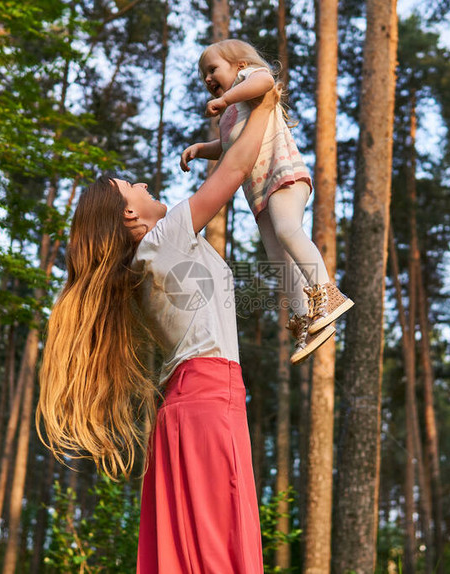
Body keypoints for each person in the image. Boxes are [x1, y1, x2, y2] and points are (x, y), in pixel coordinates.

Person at [37, 88, 283, 573]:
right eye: (132, 186)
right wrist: (268, 103)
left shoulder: (148, 264)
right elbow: (233, 173)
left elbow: (232, 161)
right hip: (209, 400)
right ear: (131, 216)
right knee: (220, 550)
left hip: (185, 410)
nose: (143, 184)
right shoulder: (164, 238)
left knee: (194, 553)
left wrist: (228, 131)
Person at [180, 38, 353, 364]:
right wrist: (201, 149)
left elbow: (266, 80)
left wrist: (228, 97)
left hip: (283, 175)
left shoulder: (250, 80)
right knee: (279, 261)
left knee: (289, 230)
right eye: (203, 74)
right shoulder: (230, 115)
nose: (207, 79)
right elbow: (226, 147)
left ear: (239, 65)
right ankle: (310, 320)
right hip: (260, 197)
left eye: (212, 69)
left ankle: (327, 293)